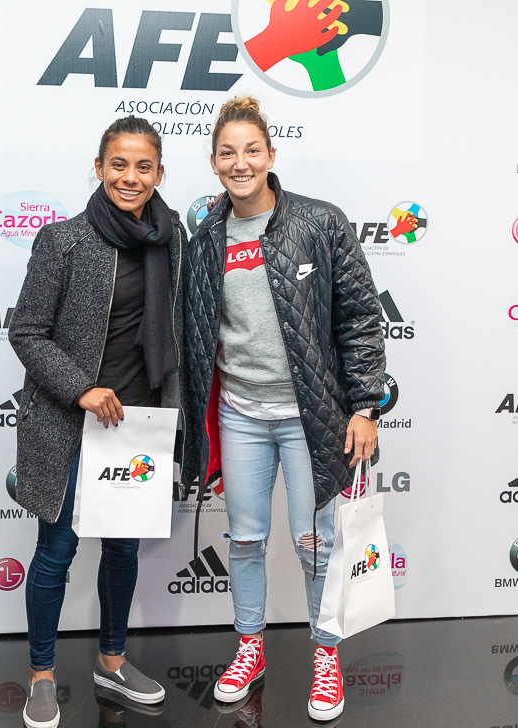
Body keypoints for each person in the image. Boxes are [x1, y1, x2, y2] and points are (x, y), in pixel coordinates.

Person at [181, 96, 386, 721]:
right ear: (214, 163)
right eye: (227, 153)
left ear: (271, 156)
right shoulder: (206, 236)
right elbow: (195, 330)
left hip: (310, 414)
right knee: (243, 538)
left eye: (251, 150)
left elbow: (359, 318)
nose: (239, 163)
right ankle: (251, 648)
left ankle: (326, 654)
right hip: (241, 412)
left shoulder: (319, 223)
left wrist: (365, 405)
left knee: (315, 540)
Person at [8, 116, 186, 728]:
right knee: (55, 551)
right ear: (98, 166)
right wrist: (81, 389)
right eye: (118, 164)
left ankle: (111, 662)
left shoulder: (173, 239)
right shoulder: (64, 240)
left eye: (143, 166)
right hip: (70, 422)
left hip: (139, 424)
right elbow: (26, 332)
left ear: (160, 173)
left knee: (122, 550)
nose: (130, 177)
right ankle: (41, 675)